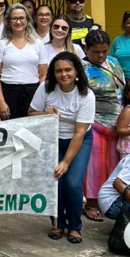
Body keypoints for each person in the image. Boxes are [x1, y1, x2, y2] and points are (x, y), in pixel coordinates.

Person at [29, 53, 95, 244]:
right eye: (59, 70)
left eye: (68, 70)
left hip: (79, 140)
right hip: (53, 139)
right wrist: (45, 114)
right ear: (53, 73)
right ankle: (58, 223)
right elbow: (31, 113)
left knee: (73, 183)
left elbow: (79, 133)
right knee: (55, 181)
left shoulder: (86, 95)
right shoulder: (46, 88)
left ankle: (75, 227)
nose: (63, 74)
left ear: (76, 72)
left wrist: (66, 162)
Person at [82, 29, 125, 222]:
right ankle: (91, 203)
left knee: (115, 164)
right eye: (96, 52)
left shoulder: (114, 63)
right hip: (95, 123)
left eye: (104, 51)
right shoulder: (81, 68)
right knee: (95, 166)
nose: (100, 56)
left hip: (118, 124)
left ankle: (109, 200)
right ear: (86, 49)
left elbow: (122, 88)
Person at [0, 4, 49, 120]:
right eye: (14, 18)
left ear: (27, 20)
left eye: (22, 18)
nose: (18, 22)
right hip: (8, 93)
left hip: (33, 94)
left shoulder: (38, 44)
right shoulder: (1, 45)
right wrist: (1, 102)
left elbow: (43, 76)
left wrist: (44, 100)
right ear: (8, 21)